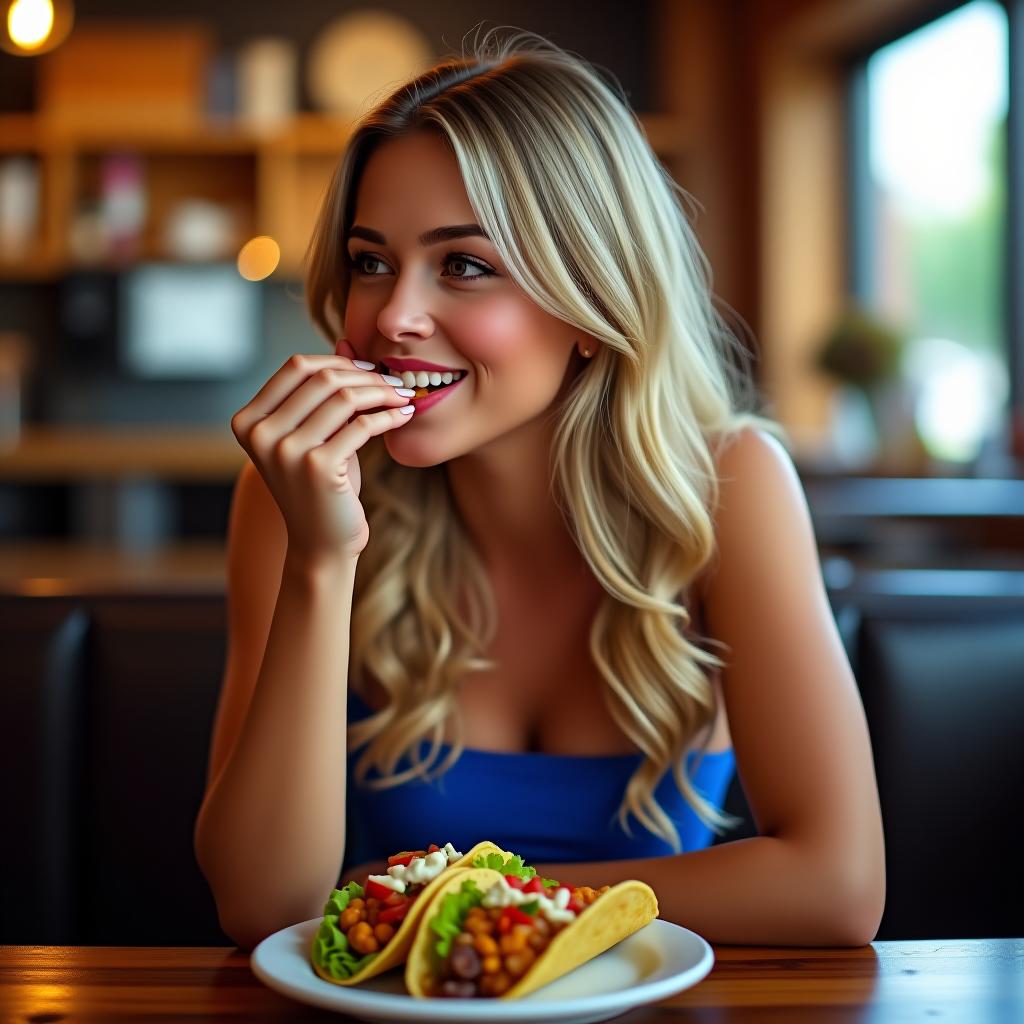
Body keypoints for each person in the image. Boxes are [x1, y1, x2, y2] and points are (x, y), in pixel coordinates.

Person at [194, 29, 885, 952]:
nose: (394, 315)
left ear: (589, 304)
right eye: (370, 262)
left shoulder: (729, 485)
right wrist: (323, 559)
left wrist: (437, 899)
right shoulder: (301, 495)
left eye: (465, 265)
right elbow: (260, 908)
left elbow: (836, 888)